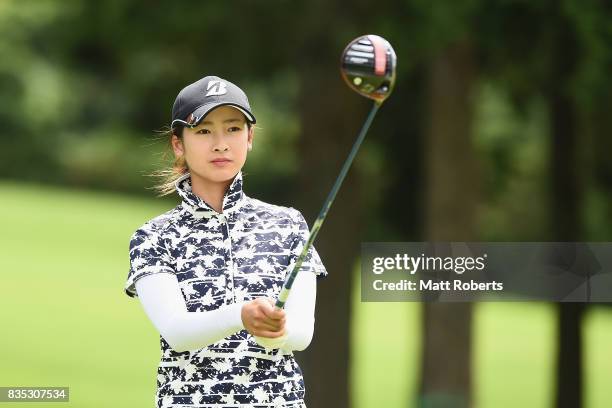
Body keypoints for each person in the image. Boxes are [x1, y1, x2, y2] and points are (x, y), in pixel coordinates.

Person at [124, 75, 328, 408]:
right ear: (179, 144)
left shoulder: (289, 224)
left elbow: (302, 335)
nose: (220, 143)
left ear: (249, 137)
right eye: (204, 131)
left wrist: (272, 331)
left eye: (233, 129)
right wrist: (241, 315)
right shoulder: (153, 236)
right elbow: (177, 332)